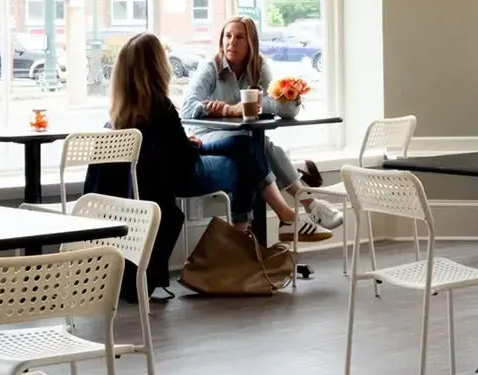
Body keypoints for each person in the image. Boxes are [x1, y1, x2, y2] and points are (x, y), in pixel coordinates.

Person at [90, 33, 238, 301]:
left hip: (128, 197)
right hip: (167, 187)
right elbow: (185, 159)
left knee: (243, 151)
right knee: (240, 159)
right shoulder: (161, 107)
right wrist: (192, 144)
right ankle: (245, 245)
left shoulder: (117, 116)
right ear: (158, 66)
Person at [181, 17, 332, 234]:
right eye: (227, 36)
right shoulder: (211, 67)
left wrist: (252, 103)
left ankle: (255, 237)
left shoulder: (259, 67)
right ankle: (299, 208)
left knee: (259, 146)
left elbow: (282, 105)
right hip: (205, 135)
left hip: (241, 138)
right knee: (255, 145)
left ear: (251, 41)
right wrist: (225, 110)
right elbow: (187, 108)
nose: (231, 42)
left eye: (239, 37)